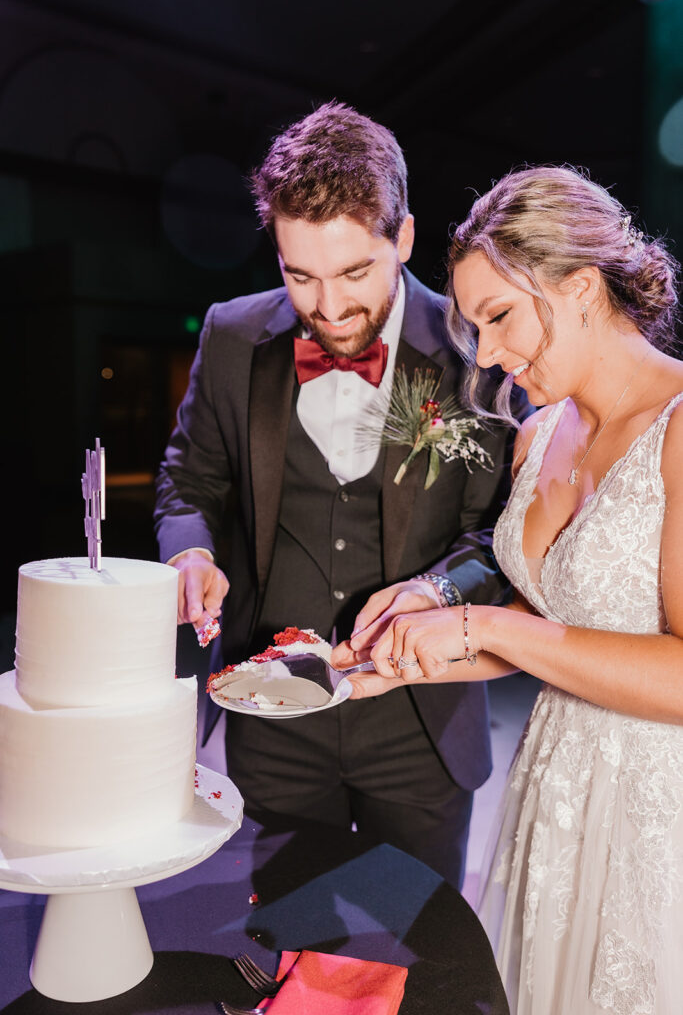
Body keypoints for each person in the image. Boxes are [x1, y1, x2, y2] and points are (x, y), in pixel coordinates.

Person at [335, 165, 683, 1014]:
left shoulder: (678, 429)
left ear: (581, 285)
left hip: (656, 813)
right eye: (472, 323)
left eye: (499, 316)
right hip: (552, 792)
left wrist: (483, 623)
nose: (484, 353)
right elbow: (556, 629)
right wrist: (415, 654)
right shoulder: (536, 435)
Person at [154, 102, 525, 889]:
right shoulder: (229, 335)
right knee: (291, 940)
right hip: (269, 713)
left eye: (355, 271)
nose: (327, 307)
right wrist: (189, 550)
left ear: (406, 239)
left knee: (421, 957)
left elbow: (498, 528)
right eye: (299, 275)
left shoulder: (478, 352)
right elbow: (190, 477)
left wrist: (431, 591)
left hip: (421, 719)